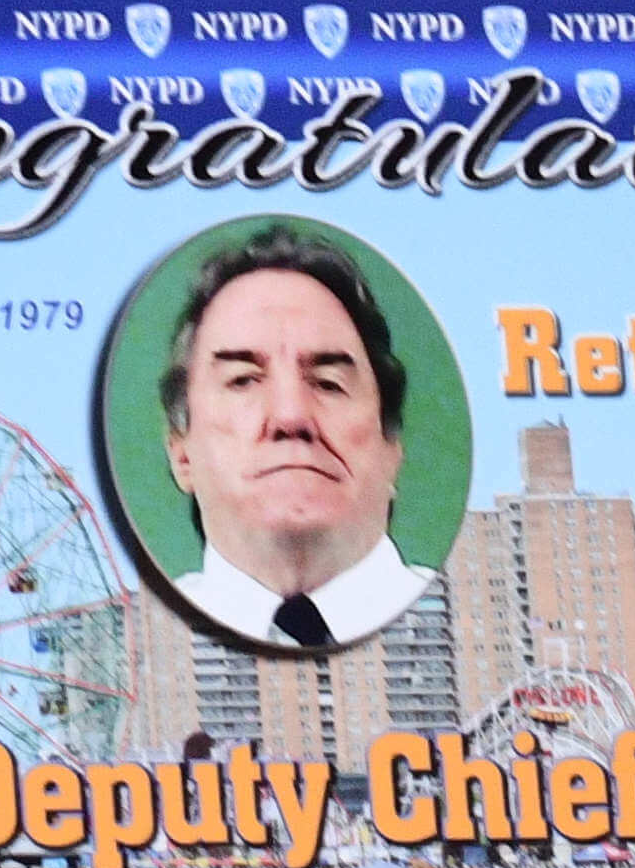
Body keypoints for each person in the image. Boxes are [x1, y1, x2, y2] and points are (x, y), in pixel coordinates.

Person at [142, 227, 428, 648]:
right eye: (242, 381)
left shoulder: (461, 617)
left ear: (392, 450)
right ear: (182, 456)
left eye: (329, 383)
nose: (291, 416)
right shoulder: (144, 642)